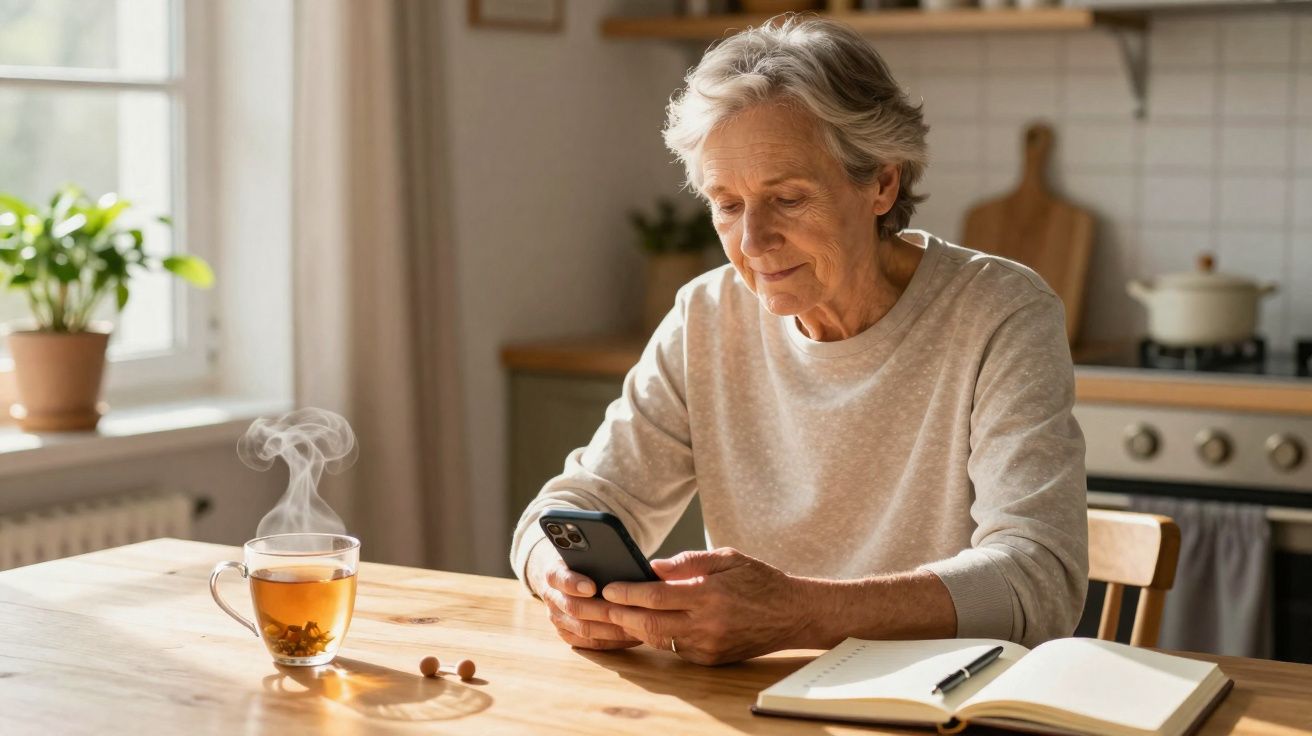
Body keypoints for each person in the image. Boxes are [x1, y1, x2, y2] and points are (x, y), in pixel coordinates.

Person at [509, 16, 1088, 666]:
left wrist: (797, 614)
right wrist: (558, 579)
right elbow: (566, 510)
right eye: (727, 205)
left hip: (940, 705)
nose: (752, 244)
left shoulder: (999, 312)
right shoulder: (707, 315)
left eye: (786, 199)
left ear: (881, 183)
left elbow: (1040, 583)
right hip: (749, 701)